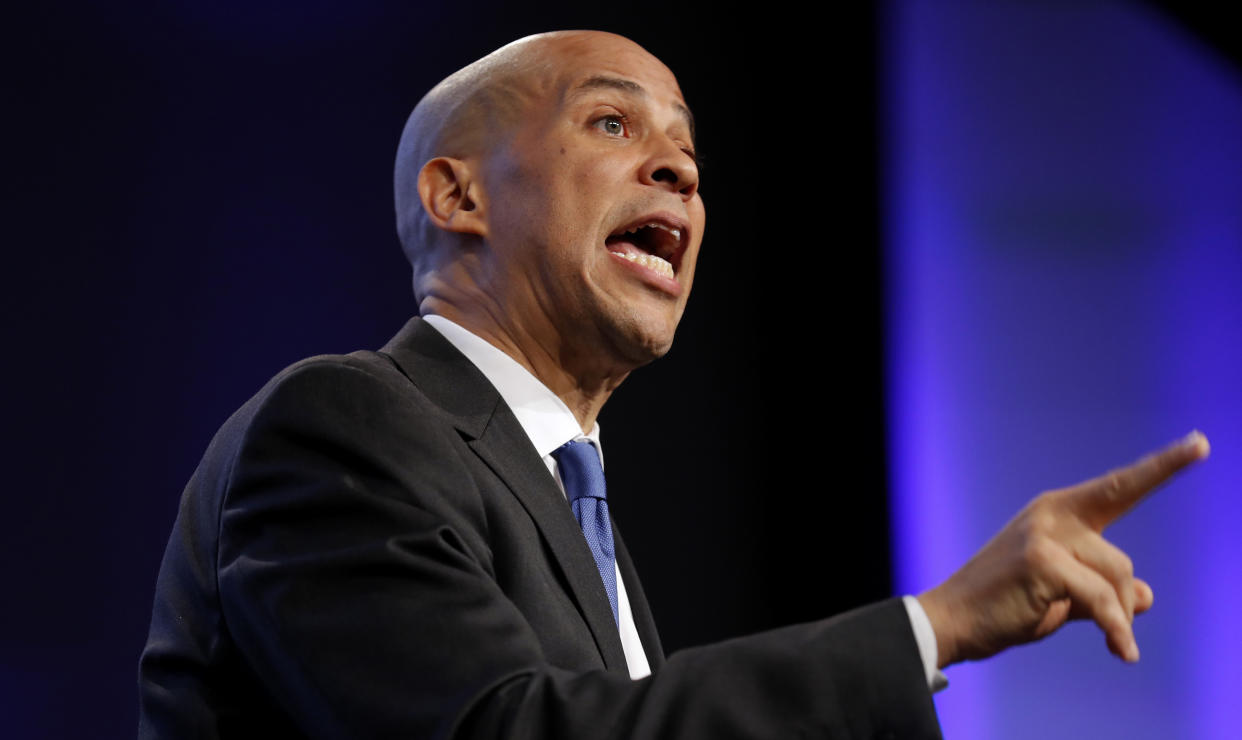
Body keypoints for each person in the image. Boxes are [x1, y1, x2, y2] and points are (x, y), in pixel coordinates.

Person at [138, 30, 1210, 738]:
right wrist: (935, 626)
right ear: (458, 193)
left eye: (688, 148)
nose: (681, 169)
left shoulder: (566, 497)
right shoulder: (341, 425)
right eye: (613, 123)